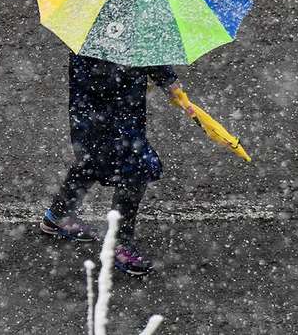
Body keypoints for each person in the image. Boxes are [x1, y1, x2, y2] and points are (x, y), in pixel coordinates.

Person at [40, 52, 191, 276]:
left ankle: (58, 215)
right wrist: (163, 77)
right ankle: (118, 243)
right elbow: (137, 51)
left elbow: (137, 49)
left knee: (91, 160)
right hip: (114, 113)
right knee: (135, 169)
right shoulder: (123, 31)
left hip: (94, 110)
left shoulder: (90, 27)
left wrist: (159, 77)